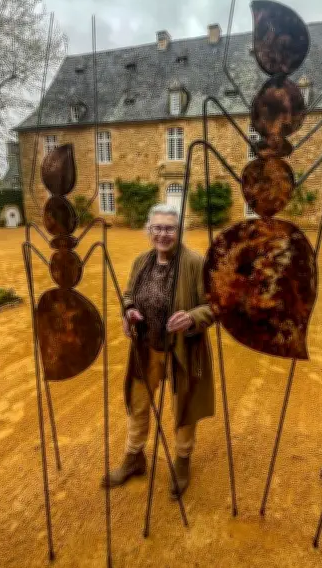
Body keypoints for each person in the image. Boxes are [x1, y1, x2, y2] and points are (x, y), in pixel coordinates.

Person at [101, 204, 215, 499]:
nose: (163, 234)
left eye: (169, 228)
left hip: (183, 349)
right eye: (158, 228)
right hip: (146, 346)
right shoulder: (141, 262)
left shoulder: (195, 263)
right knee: (139, 403)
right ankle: (134, 456)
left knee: (183, 407)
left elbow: (214, 306)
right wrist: (128, 311)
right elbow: (128, 295)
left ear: (179, 232)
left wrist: (192, 318)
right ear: (148, 231)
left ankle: (182, 459)